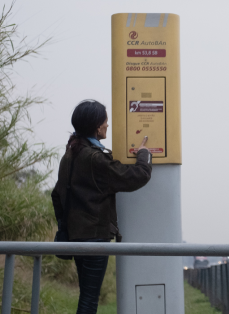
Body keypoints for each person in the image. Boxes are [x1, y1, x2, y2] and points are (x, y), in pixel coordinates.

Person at [51, 100, 152, 314]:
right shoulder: (94, 158)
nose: (108, 125)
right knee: (89, 300)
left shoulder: (69, 155)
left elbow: (56, 196)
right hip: (94, 239)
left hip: (75, 237)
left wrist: (67, 224)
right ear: (97, 126)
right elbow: (137, 176)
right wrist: (144, 154)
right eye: (105, 121)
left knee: (86, 295)